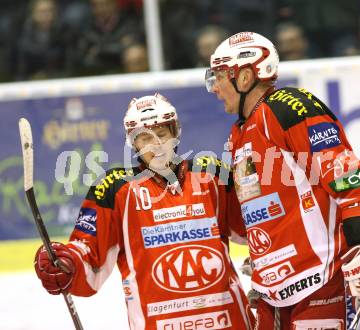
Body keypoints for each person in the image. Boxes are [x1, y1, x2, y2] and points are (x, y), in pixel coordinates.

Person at [205, 31, 360, 329]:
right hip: (273, 295)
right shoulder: (239, 133)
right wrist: (266, 261)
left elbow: (354, 182)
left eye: (218, 77)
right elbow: (260, 209)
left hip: (322, 284)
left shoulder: (288, 106)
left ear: (244, 78)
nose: (214, 88)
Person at [34, 93, 255, 329]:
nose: (157, 145)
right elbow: (87, 254)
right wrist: (66, 263)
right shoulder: (114, 187)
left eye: (162, 134)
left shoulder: (211, 172)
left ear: (175, 133)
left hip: (227, 320)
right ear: (134, 143)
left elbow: (255, 223)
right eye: (145, 139)